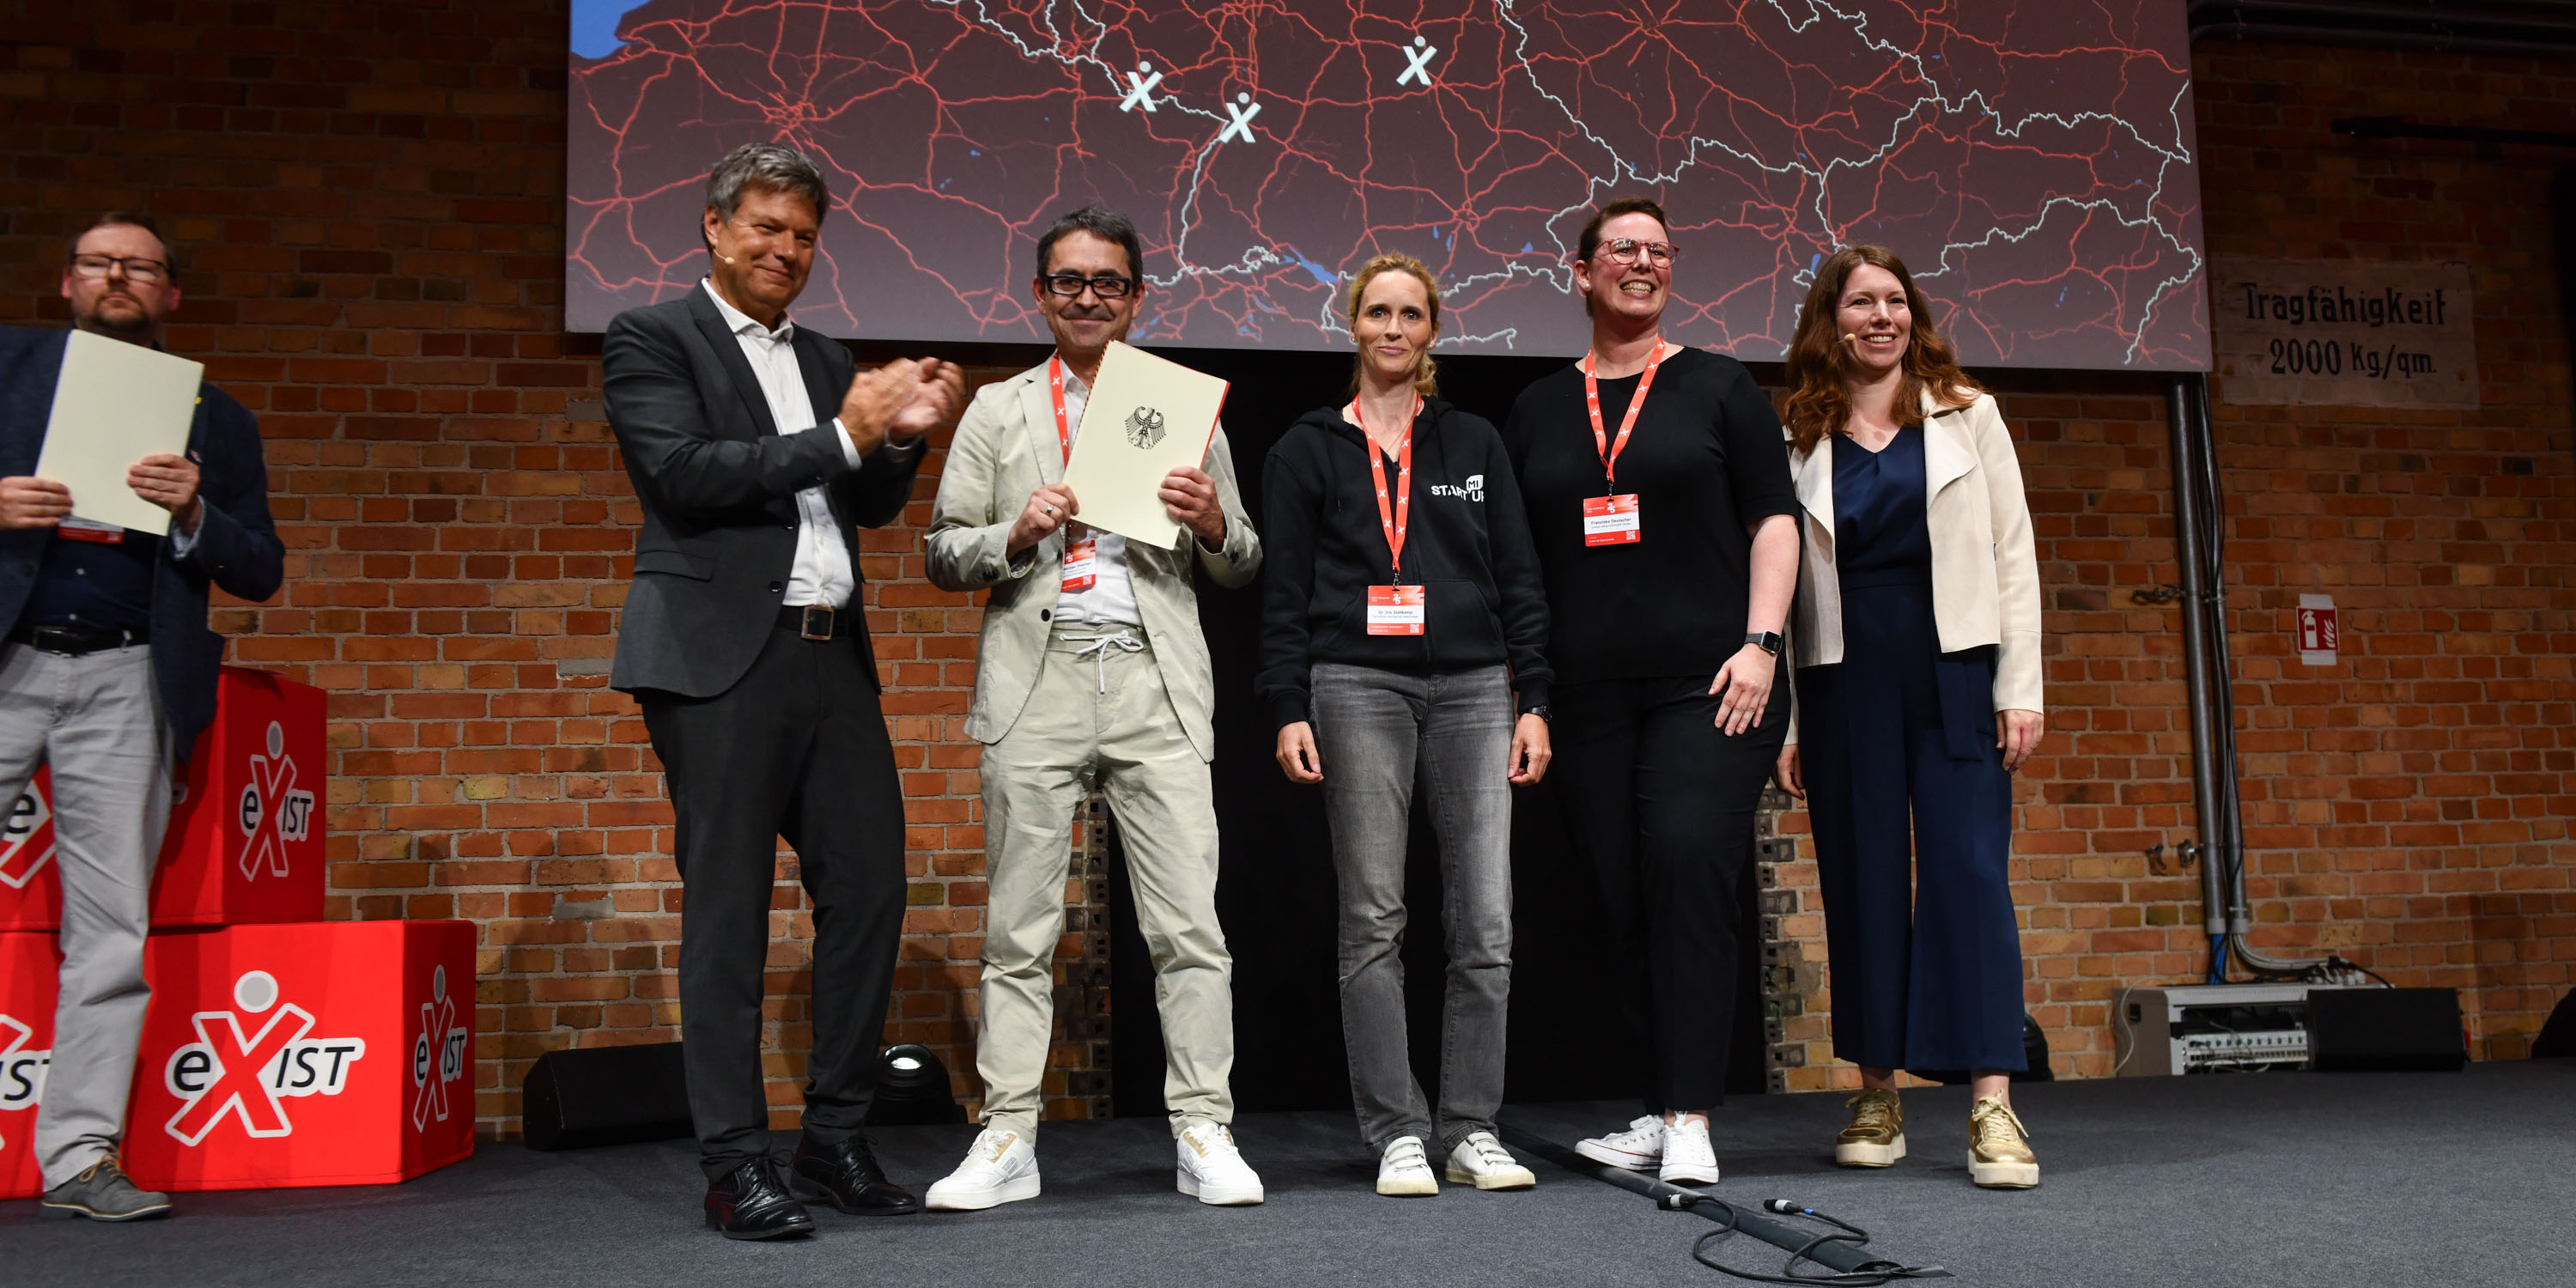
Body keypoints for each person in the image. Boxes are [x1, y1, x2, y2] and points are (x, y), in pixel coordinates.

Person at [601, 143, 967, 1239]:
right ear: (715, 227)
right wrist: (846, 433)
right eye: (766, 227)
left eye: (804, 236)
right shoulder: (652, 336)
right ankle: (733, 1163)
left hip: (829, 650)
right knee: (729, 910)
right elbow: (686, 474)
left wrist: (898, 444)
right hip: (720, 656)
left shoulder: (826, 356)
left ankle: (832, 1138)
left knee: (871, 892)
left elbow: (868, 506)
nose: (786, 250)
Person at [923, 205, 1266, 1211]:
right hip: (1040, 677)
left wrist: (1213, 522)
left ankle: (1203, 1128)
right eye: (1068, 281)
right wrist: (1014, 532)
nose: (1087, 297)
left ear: (1135, 296)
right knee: (1019, 929)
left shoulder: (1179, 405)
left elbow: (1243, 558)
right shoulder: (999, 410)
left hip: (1156, 678)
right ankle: (1008, 1135)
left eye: (1107, 282)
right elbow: (943, 551)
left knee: (1189, 926)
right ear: (1040, 294)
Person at [1501, 196, 1799, 1187]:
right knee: (1621, 896)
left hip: (1710, 686)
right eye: (1623, 249)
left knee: (1685, 866)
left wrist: (1762, 643)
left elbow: (1774, 521)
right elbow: (1520, 565)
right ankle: (1660, 1103)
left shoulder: (1719, 386)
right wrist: (1532, 693)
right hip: (1588, 696)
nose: (1644, 263)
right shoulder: (1540, 408)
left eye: (1660, 251)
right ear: (1580, 272)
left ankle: (1691, 1116)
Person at [0, 212, 285, 1222]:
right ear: (66, 280)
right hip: (8, 659)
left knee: (112, 929)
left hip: (127, 676)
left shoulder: (218, 420)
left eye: (141, 266)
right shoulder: (7, 369)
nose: (117, 276)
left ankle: (80, 1157)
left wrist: (197, 514)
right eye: (99, 262)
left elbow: (262, 569)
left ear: (172, 294)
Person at [1258, 254, 1552, 1198]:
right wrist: (1286, 705)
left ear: (1433, 331)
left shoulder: (1472, 441)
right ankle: (1396, 1131)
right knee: (1373, 919)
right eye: (1378, 312)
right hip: (1355, 687)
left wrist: (1535, 699)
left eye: (1411, 314)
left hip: (1475, 688)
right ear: (1353, 324)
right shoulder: (1306, 448)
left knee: (1486, 921)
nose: (1393, 329)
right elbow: (1284, 595)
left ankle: (1470, 1128)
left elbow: (1519, 577)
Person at [1771, 246, 2044, 1189]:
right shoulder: (1799, 433)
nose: (1880, 317)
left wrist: (2020, 687)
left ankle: (1991, 1103)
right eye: (1860, 303)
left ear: (1913, 317)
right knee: (1862, 882)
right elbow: (1785, 588)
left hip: (1955, 670)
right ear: (1831, 321)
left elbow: (2013, 554)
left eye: (1894, 301)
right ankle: (1876, 1092)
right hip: (1844, 679)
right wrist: (1791, 724)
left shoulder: (1970, 415)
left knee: (1970, 876)